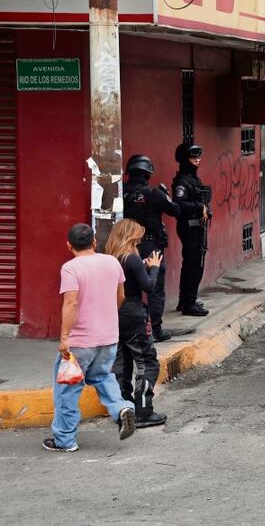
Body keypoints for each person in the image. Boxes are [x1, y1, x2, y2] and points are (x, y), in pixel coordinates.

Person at [45, 224, 135, 452]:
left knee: (67, 390)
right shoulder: (112, 262)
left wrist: (64, 337)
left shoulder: (70, 268)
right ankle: (121, 408)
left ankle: (65, 440)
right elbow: (121, 295)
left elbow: (71, 302)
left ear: (69, 245)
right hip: (109, 338)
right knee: (103, 376)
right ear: (95, 242)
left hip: (81, 342)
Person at [106, 219, 167, 428]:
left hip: (115, 314)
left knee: (121, 363)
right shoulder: (131, 258)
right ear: (132, 237)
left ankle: (123, 409)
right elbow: (148, 287)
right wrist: (154, 268)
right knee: (146, 362)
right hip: (133, 313)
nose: (140, 241)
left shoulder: (111, 258)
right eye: (138, 238)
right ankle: (143, 411)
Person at [122, 154, 179, 342]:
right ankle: (154, 330)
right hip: (149, 245)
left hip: (125, 245)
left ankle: (132, 328)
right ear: (148, 173)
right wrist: (166, 196)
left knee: (128, 287)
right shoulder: (152, 193)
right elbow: (175, 210)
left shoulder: (121, 191)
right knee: (155, 289)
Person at [172, 143, 210, 317]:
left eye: (199, 157)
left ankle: (186, 300)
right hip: (189, 228)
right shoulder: (182, 181)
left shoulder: (193, 178)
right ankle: (189, 303)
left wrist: (205, 208)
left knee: (192, 265)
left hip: (197, 227)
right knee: (193, 266)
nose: (197, 160)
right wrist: (199, 205)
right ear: (184, 159)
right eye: (193, 157)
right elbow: (178, 204)